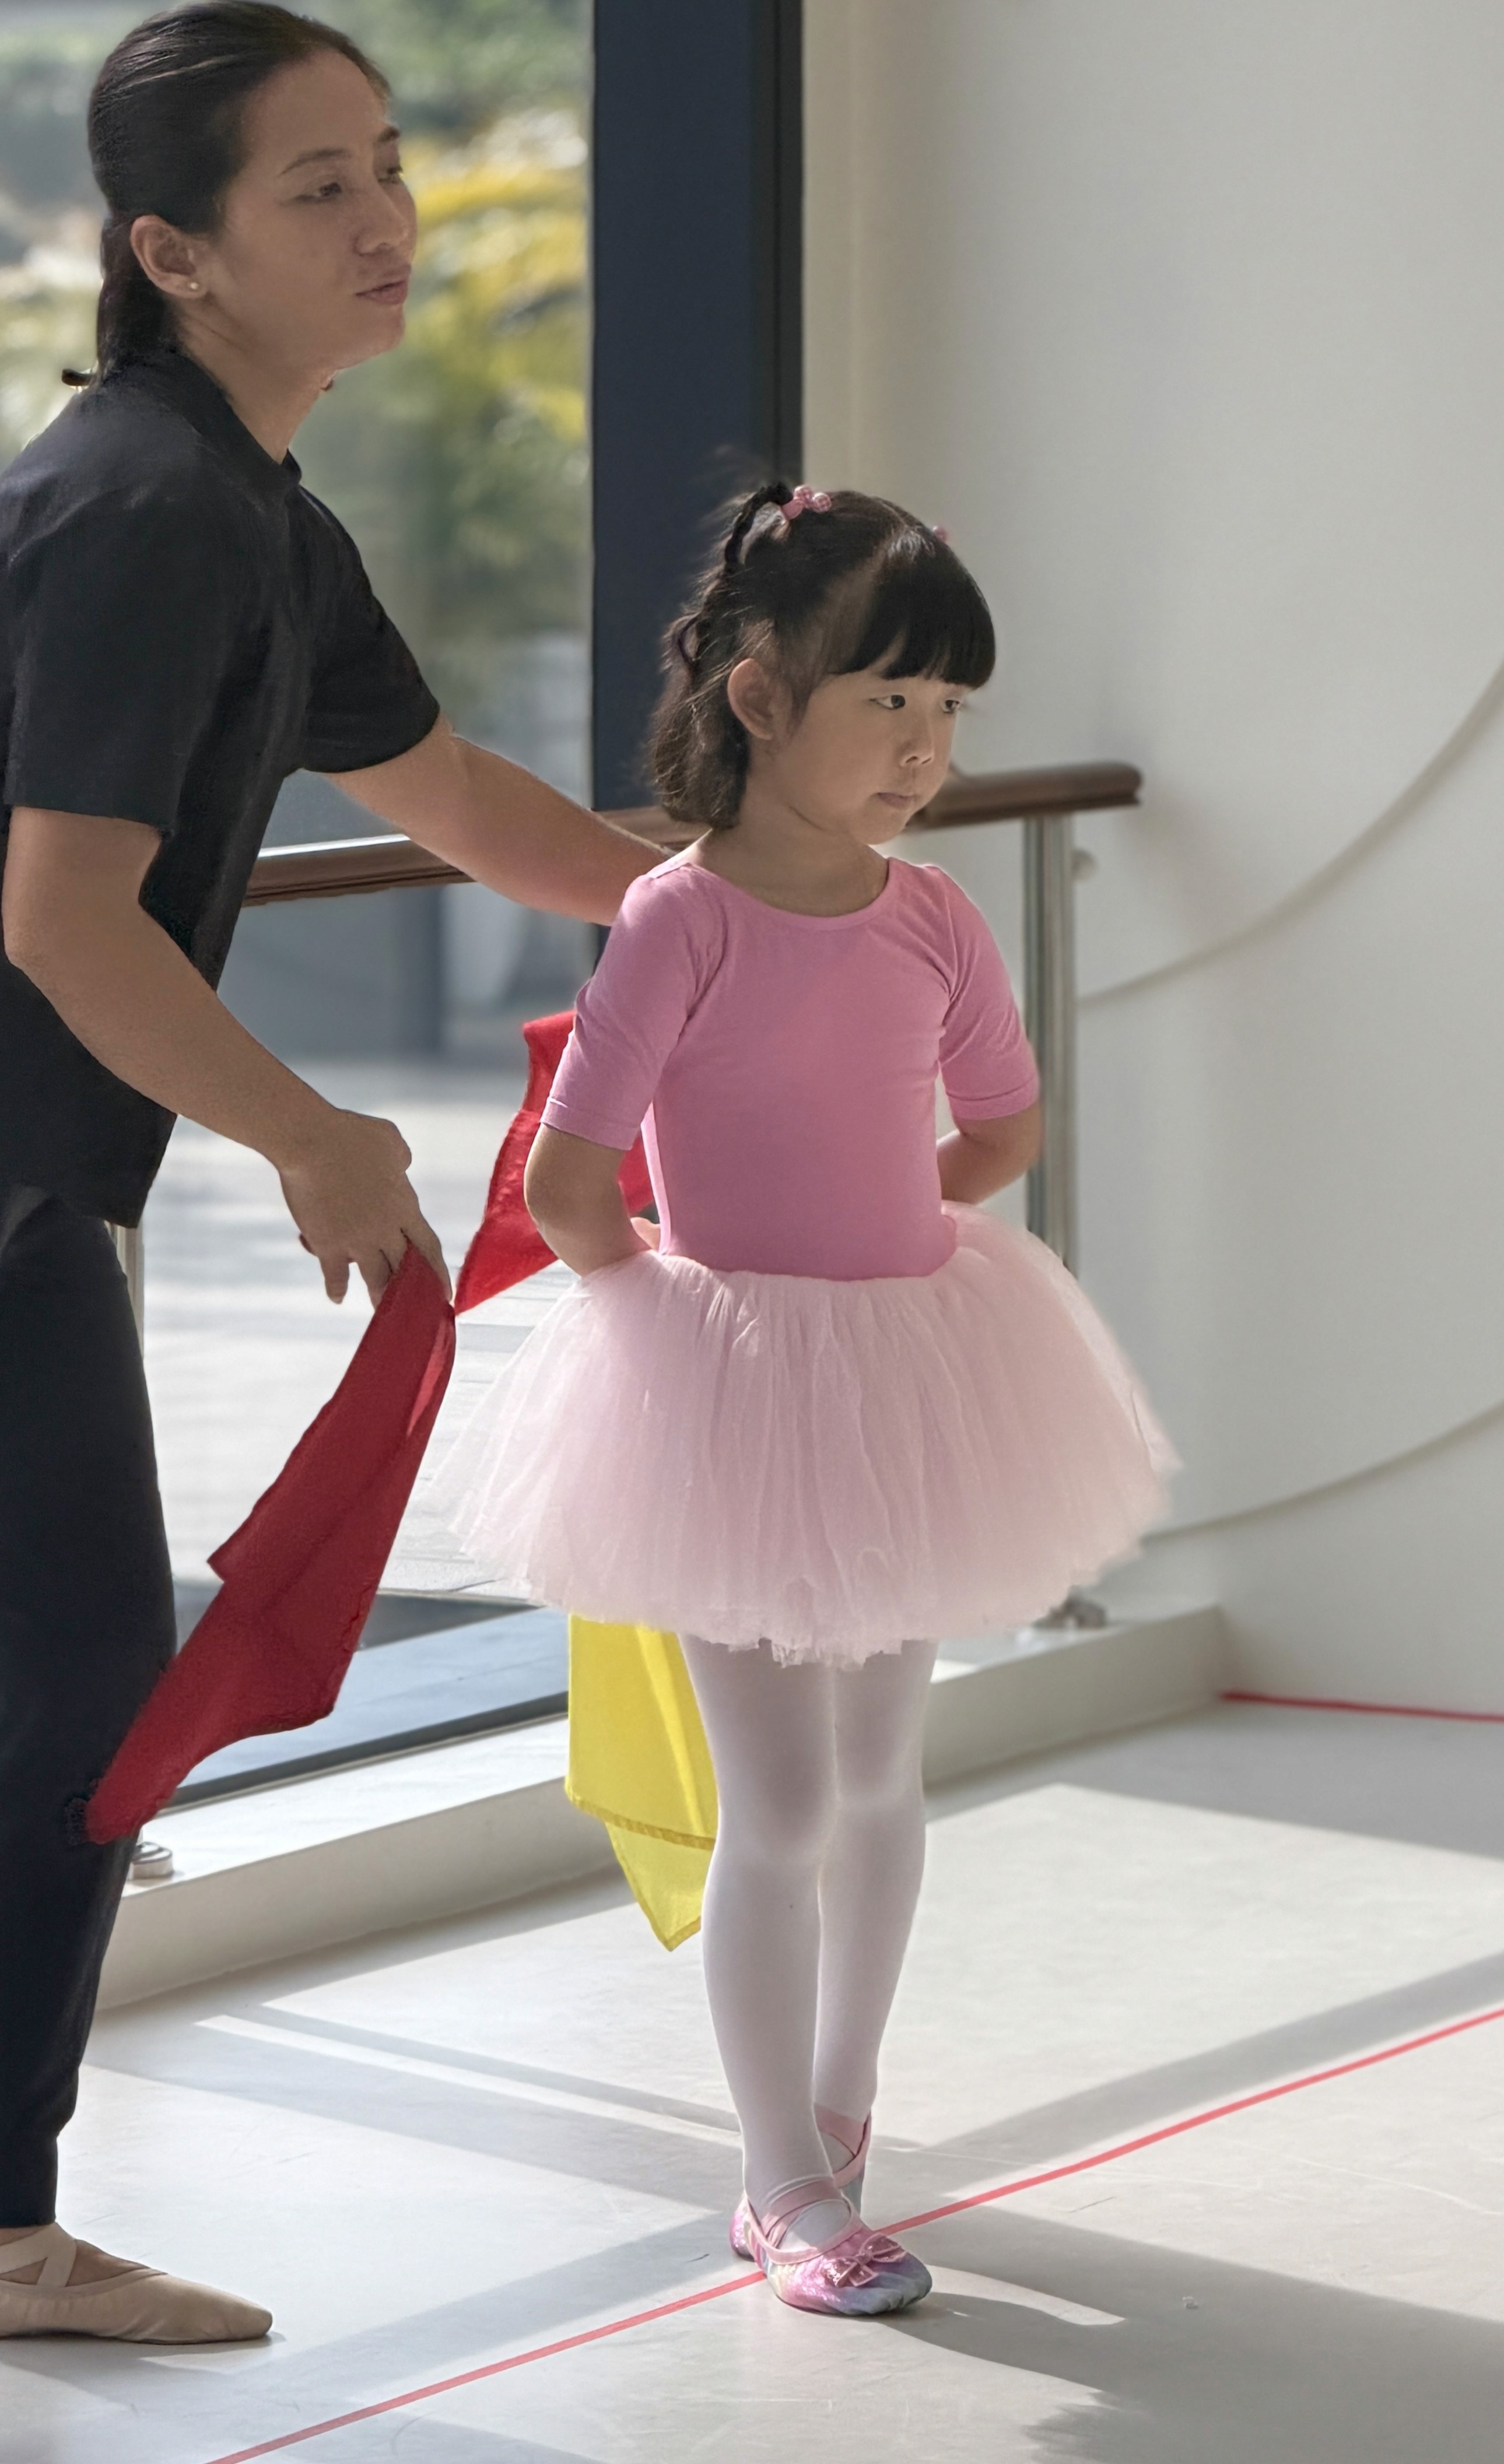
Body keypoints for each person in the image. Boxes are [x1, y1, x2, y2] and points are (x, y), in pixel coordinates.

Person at [0, 2, 655, 2344]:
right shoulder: (140, 510)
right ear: (173, 250)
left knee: (81, 1659)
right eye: (320, 187)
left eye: (385, 163)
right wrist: (311, 1134)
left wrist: (743, 908)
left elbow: (462, 795)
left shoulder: (262, 518)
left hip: (3, 1170)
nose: (386, 219)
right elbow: (59, 914)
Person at [437, 483, 1175, 2315]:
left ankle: (839, 2118)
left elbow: (1004, 1118)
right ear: (761, 699)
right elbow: (571, 1184)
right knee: (773, 1800)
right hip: (724, 1386)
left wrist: (886, 1230)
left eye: (946, 715)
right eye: (887, 706)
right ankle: (777, 2183)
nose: (923, 750)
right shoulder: (677, 917)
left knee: (878, 1779)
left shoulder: (928, 917)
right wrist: (678, 1338)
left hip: (908, 1368)